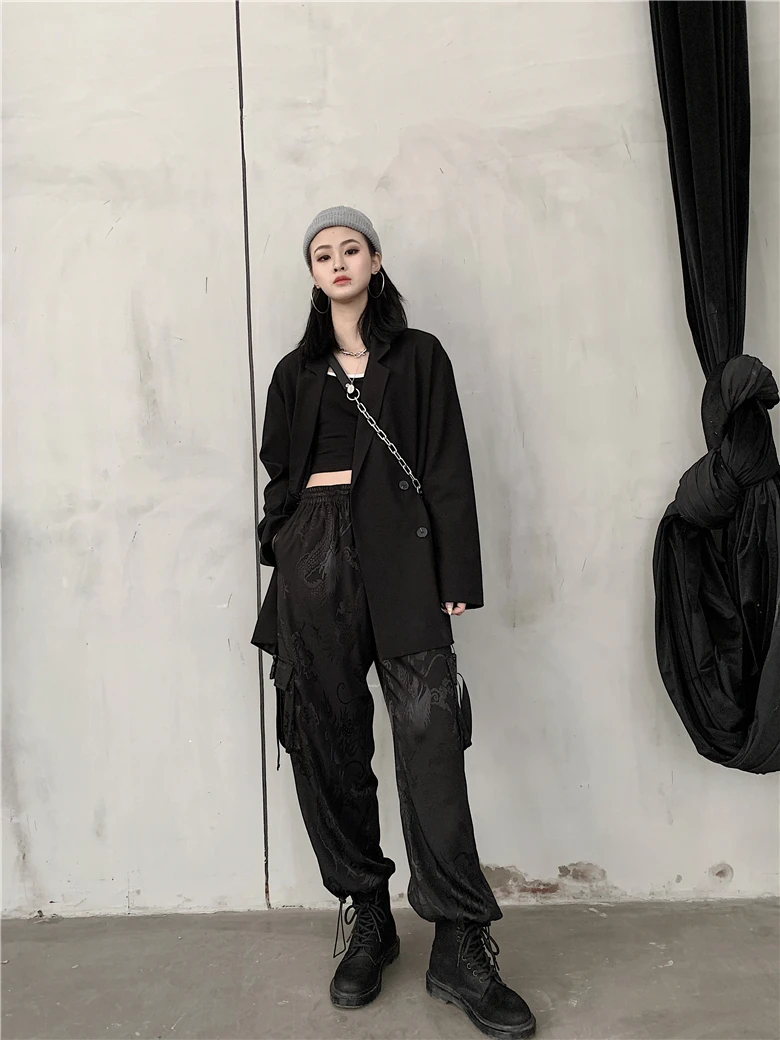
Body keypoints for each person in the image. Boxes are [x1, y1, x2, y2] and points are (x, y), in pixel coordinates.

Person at [251, 206, 536, 1039]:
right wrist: (287, 540)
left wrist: (455, 574)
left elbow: (445, 463)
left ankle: (459, 940)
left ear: (375, 261)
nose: (337, 262)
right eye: (322, 253)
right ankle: (368, 914)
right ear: (313, 274)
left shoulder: (419, 357)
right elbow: (278, 472)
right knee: (328, 743)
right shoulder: (295, 372)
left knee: (431, 741)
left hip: (404, 561)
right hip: (315, 565)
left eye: (351, 249)